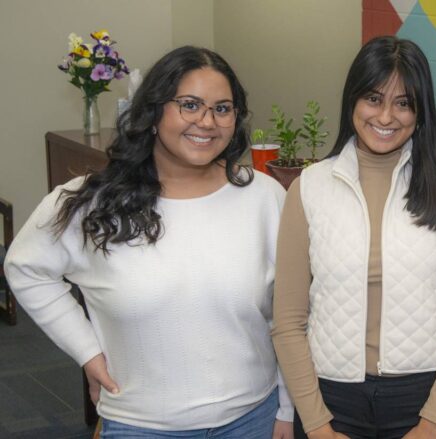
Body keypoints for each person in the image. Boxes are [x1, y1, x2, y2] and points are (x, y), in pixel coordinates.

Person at [3, 46, 293, 437]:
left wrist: (287, 410)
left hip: (252, 418)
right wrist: (87, 353)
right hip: (141, 425)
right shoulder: (94, 202)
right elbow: (25, 267)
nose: (207, 122)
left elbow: (288, 315)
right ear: (154, 112)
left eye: (223, 108)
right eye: (189, 105)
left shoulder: (264, 196)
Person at [271, 36, 436, 439]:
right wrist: (317, 425)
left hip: (426, 398)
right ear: (352, 100)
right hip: (328, 399)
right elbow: (287, 322)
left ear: (421, 110)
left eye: (404, 103)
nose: (387, 116)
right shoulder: (309, 188)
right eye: (373, 99)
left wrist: (433, 421)